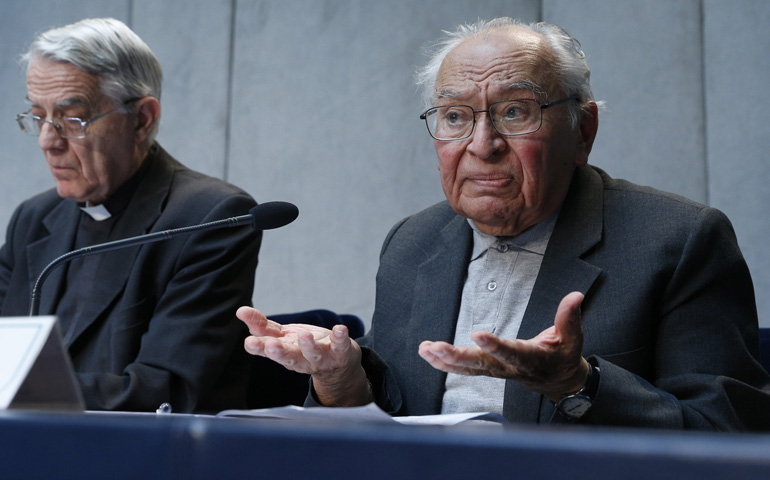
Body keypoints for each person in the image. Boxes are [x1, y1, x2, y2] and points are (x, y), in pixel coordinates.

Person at [236, 17, 770, 430]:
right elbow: (390, 419)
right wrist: (340, 377)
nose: (482, 145)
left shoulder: (677, 240)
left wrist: (578, 384)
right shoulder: (414, 242)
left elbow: (726, 435)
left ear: (583, 131)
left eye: (516, 112)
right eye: (455, 116)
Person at [0, 18, 262, 413]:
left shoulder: (210, 218)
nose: (47, 141)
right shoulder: (34, 219)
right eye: (38, 117)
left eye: (71, 120)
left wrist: (21, 392)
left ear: (142, 120)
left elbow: (167, 390)